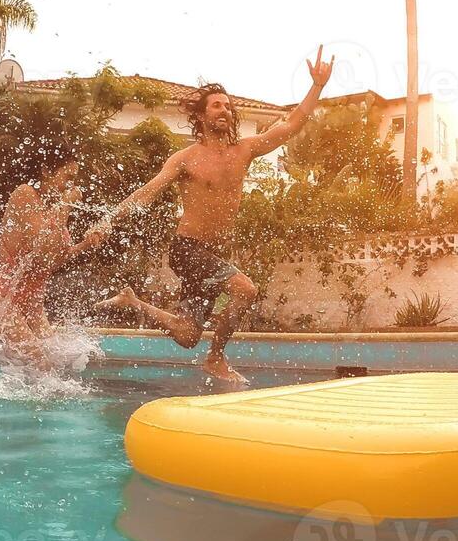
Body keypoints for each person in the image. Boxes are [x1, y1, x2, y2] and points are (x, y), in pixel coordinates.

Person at [94, 48, 335, 383]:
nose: (225, 110)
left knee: (188, 333)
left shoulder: (245, 150)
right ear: (203, 116)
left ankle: (133, 302)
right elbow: (149, 191)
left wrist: (317, 87)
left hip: (213, 253)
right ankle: (215, 358)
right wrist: (109, 219)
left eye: (228, 106)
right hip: (188, 249)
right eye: (217, 105)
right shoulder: (185, 159)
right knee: (245, 290)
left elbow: (293, 124)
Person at [0, 141, 100, 367]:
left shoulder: (51, 205)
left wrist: (85, 244)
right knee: (41, 366)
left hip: (33, 303)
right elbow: (40, 251)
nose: (71, 186)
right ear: (46, 171)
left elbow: (53, 261)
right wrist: (65, 205)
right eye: (67, 177)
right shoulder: (25, 194)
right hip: (5, 300)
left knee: (59, 364)